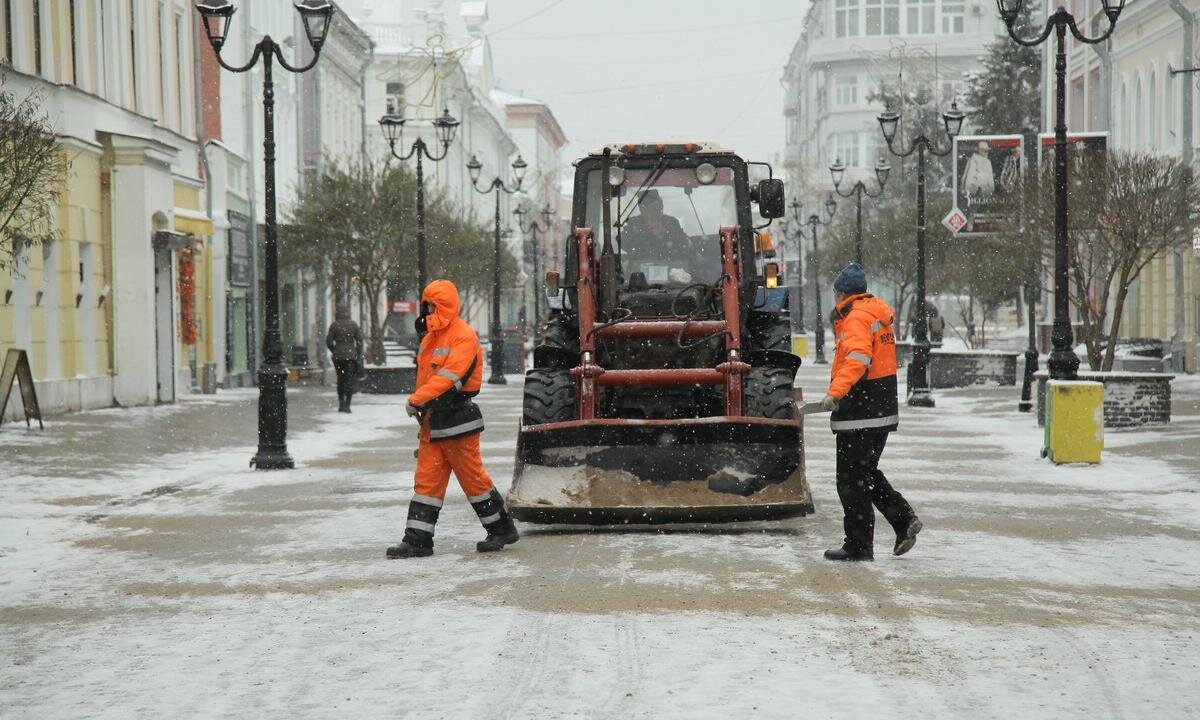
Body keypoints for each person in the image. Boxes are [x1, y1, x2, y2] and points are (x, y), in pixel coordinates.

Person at [386, 279, 520, 559]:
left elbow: (450, 379)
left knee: (473, 480)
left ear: (442, 305)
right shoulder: (431, 338)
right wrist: (422, 403)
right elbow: (430, 378)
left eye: (430, 305)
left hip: (458, 419)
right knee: (426, 483)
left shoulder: (463, 336)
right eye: (425, 305)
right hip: (434, 421)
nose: (426, 311)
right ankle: (417, 540)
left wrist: (417, 400)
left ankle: (502, 529)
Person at [819, 263, 922, 561]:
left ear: (841, 293)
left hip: (859, 411)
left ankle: (859, 545)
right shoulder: (877, 313)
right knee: (863, 473)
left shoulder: (856, 318)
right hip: (881, 408)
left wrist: (834, 394)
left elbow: (858, 359)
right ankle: (903, 521)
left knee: (850, 480)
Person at [620, 188, 695, 284]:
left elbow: (683, 245)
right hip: (639, 278)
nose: (652, 213)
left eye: (655, 208)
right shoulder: (634, 224)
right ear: (641, 210)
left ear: (661, 206)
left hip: (672, 277)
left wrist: (664, 233)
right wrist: (647, 234)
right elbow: (625, 243)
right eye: (646, 209)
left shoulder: (671, 223)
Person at [326, 305, 364, 413]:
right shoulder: (353, 325)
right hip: (351, 357)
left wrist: (335, 350)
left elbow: (328, 341)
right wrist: (357, 353)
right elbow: (360, 340)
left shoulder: (334, 325)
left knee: (340, 379)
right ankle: (347, 404)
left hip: (338, 357)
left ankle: (341, 404)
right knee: (349, 380)